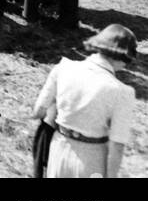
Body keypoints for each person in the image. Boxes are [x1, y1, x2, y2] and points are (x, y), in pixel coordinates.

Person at [33, 24, 137, 178]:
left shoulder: (63, 68)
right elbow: (117, 145)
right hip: (92, 158)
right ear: (122, 56)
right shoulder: (122, 92)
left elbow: (38, 111)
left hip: (58, 148)